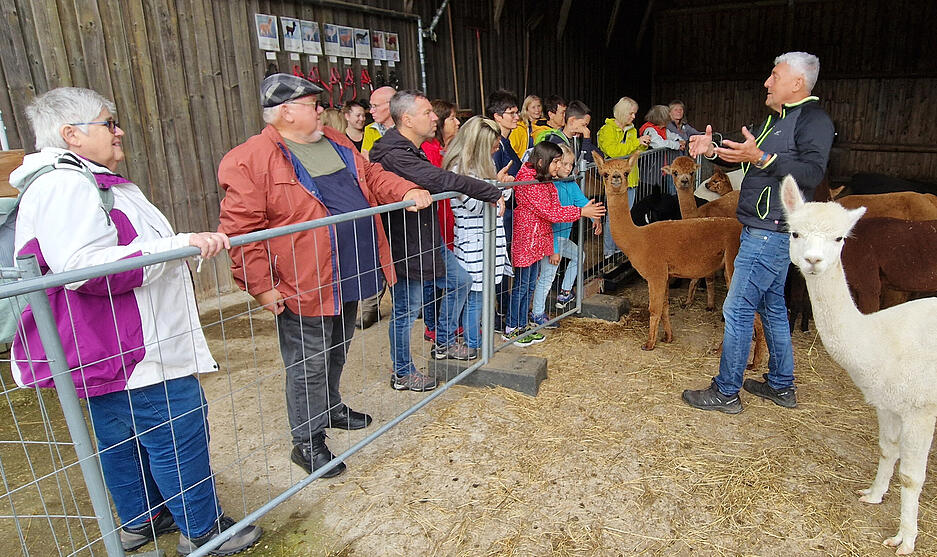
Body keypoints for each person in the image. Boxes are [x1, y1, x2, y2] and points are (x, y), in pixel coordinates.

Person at [10, 87, 262, 555]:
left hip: (112, 346)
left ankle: (143, 518)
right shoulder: (67, 185)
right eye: (108, 122)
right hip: (134, 347)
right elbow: (85, 268)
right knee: (176, 429)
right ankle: (203, 531)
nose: (118, 130)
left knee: (119, 436)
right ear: (72, 134)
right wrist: (177, 246)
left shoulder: (82, 181)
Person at [217, 74, 432, 475]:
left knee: (338, 346)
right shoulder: (250, 158)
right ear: (286, 111)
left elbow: (371, 177)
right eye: (313, 105)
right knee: (307, 362)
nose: (321, 111)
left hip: (351, 269)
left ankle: (330, 407)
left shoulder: (336, 140)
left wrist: (403, 190)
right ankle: (307, 440)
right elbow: (241, 231)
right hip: (303, 280)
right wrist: (261, 287)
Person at [682, 52, 834, 414]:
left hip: (771, 233)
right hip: (767, 231)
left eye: (774, 75)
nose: (767, 82)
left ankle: (727, 391)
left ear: (797, 83)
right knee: (773, 309)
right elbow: (743, 151)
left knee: (736, 309)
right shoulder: (776, 120)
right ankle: (781, 386)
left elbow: (812, 173)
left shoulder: (814, 120)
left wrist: (764, 159)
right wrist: (712, 149)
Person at [368, 90, 507, 388]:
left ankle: (442, 342)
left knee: (460, 281)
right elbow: (442, 180)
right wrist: (491, 191)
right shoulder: (393, 153)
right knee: (407, 309)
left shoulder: (412, 147)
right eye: (428, 113)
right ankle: (403, 373)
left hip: (426, 237)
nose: (435, 118)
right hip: (406, 244)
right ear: (407, 119)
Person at [506, 142, 604, 346]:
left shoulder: (543, 179)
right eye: (557, 162)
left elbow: (553, 209)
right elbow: (551, 212)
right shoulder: (529, 181)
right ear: (542, 161)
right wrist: (581, 212)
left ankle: (523, 325)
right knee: (521, 287)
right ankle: (512, 328)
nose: (559, 167)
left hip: (539, 239)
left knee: (530, 284)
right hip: (527, 240)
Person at [444, 116, 511, 358]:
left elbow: (497, 201)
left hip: (488, 241)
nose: (496, 149)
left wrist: (500, 188)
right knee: (475, 297)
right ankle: (473, 344)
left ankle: (477, 341)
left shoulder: (481, 167)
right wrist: (497, 192)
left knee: (483, 295)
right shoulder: (459, 170)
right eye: (493, 145)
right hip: (473, 243)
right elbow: (478, 205)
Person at [529, 143, 601, 326]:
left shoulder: (569, 182)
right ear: (556, 164)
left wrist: (596, 218)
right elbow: (549, 220)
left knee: (579, 255)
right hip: (551, 239)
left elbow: (582, 202)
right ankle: (537, 314)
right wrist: (553, 249)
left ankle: (565, 292)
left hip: (562, 237)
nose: (569, 168)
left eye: (571, 164)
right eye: (565, 164)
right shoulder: (550, 186)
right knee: (547, 276)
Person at [420, 99, 461, 343]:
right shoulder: (428, 149)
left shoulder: (448, 148)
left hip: (449, 219)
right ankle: (432, 324)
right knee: (432, 275)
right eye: (452, 118)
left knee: (445, 273)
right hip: (433, 221)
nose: (457, 122)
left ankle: (445, 322)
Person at [357, 86, 397, 330]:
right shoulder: (371, 131)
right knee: (375, 253)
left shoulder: (406, 129)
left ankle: (407, 303)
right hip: (377, 199)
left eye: (375, 106)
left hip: (401, 200)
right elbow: (365, 163)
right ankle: (370, 306)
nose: (370, 111)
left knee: (401, 252)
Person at [596, 96, 651, 256]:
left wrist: (642, 144)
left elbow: (634, 153)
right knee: (613, 217)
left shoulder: (632, 130)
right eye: (631, 114)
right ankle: (608, 251)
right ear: (622, 112)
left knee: (626, 216)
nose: (634, 117)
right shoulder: (607, 130)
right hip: (614, 181)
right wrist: (635, 143)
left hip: (630, 179)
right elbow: (613, 152)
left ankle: (621, 247)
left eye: (634, 114)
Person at [535, 100, 596, 165]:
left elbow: (599, 155)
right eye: (584, 125)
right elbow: (585, 162)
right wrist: (586, 138)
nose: (586, 129)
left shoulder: (577, 140)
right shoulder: (556, 141)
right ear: (572, 120)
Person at [361, 85, 395, 159]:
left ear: (391, 105)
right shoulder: (370, 129)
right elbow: (365, 161)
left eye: (375, 106)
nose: (371, 111)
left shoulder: (408, 127)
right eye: (371, 106)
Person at [508, 94, 544, 161]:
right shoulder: (518, 127)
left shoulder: (544, 125)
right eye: (533, 107)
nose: (537, 110)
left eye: (539, 106)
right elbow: (512, 149)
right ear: (526, 109)